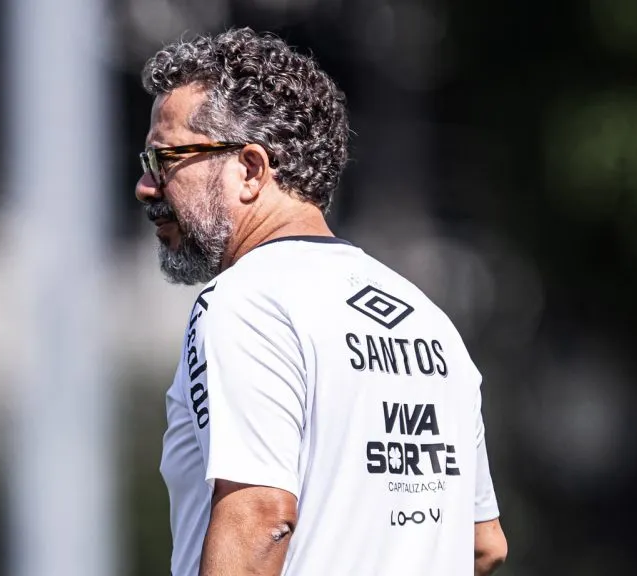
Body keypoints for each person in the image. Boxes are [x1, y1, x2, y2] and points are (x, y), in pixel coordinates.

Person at [134, 28, 508, 576]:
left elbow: (261, 517)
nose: (146, 185)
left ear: (252, 169)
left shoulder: (245, 301)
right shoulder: (428, 321)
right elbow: (485, 544)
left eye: (166, 159)